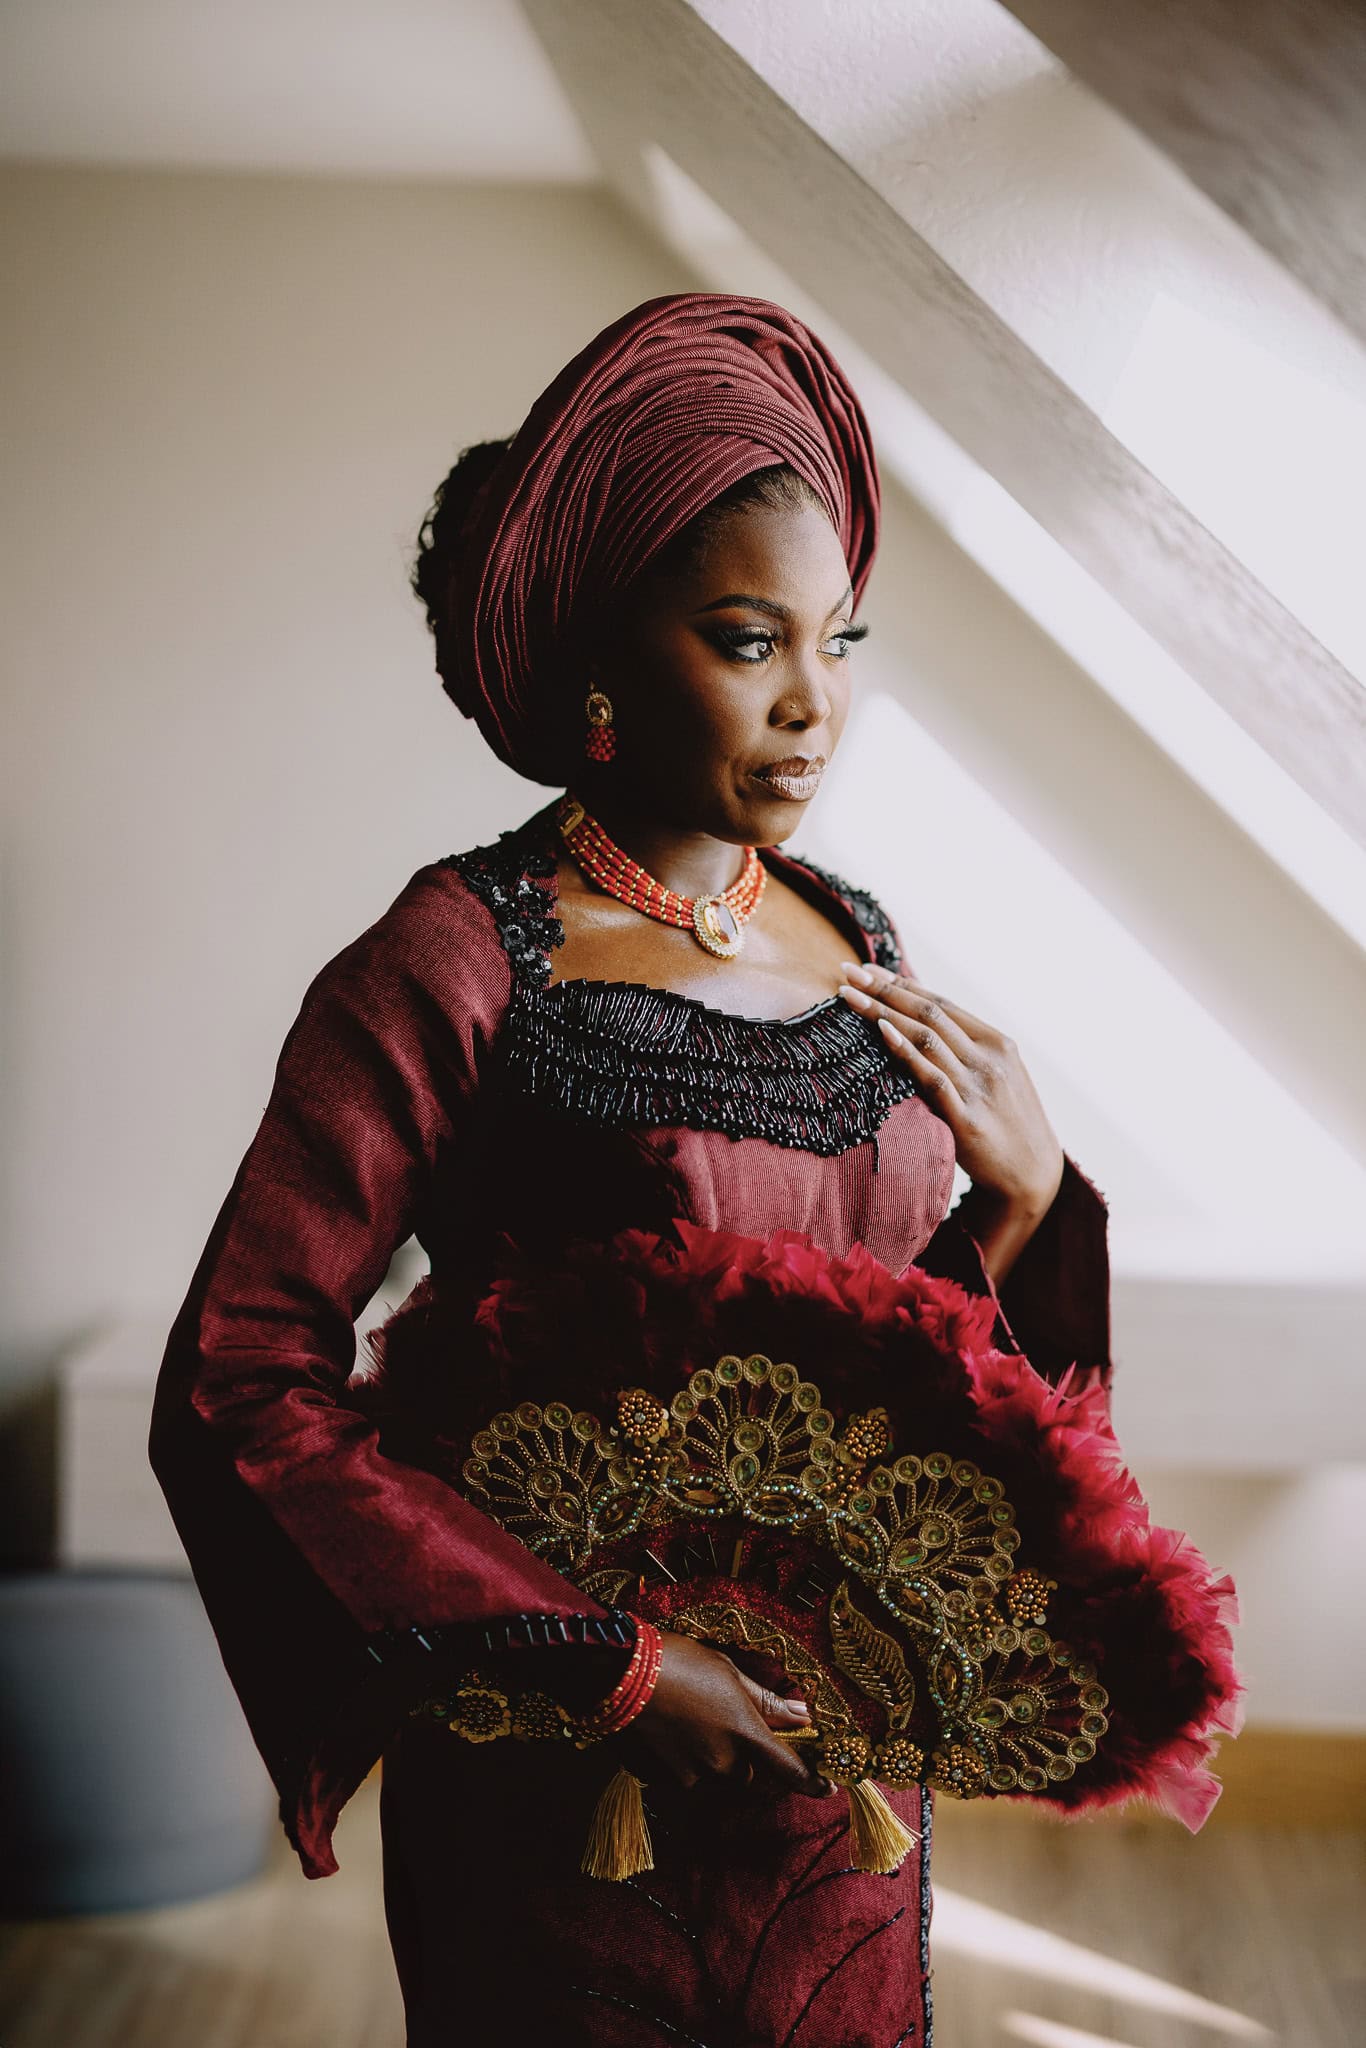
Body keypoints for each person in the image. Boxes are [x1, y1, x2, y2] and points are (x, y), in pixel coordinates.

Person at [150, 293, 1237, 2048]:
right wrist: (618, 1667)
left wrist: (1027, 1206)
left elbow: (901, 1374)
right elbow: (238, 1376)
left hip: (842, 1779)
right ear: (598, 657)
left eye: (842, 638)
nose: (816, 705)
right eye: (749, 642)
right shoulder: (454, 957)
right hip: (570, 1772)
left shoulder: (850, 932)